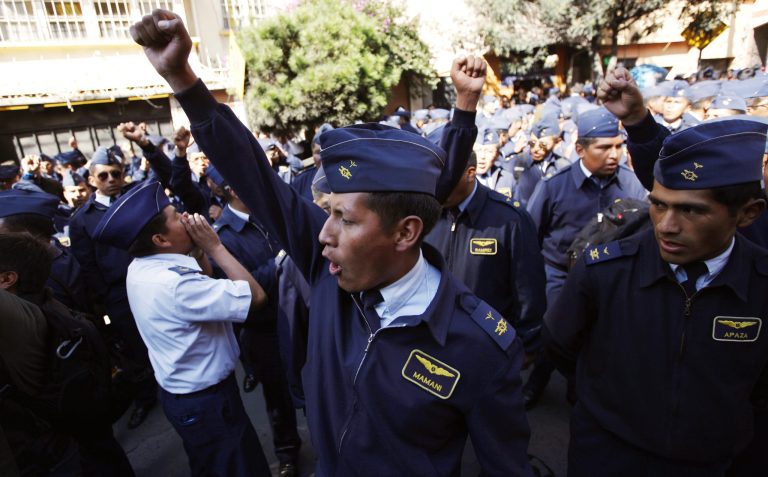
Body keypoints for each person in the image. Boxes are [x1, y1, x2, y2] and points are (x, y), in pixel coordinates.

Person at [130, 10, 533, 475]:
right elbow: (254, 174)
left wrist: (464, 107)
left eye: (343, 217)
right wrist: (182, 78)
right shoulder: (327, 267)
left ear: (405, 233)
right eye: (327, 213)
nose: (323, 233)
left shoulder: (477, 345)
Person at [542, 68, 768, 476]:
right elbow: (561, 347)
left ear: (748, 213)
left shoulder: (761, 286)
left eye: (692, 211)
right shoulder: (604, 272)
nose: (666, 225)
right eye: (659, 204)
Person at [93, 180, 272, 477]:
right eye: (176, 217)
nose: (187, 218)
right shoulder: (175, 285)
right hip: (208, 401)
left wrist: (197, 249)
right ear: (161, 240)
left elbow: (204, 274)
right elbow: (256, 297)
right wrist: (215, 245)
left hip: (188, 397)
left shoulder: (144, 266)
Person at [0, 232, 135, 477]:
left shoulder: (23, 320)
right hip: (82, 426)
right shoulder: (47, 302)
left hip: (61, 446)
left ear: (7, 279)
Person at [208, 166, 302, 476]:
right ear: (233, 190)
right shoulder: (223, 238)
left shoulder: (268, 214)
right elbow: (242, 289)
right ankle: (287, 451)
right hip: (264, 329)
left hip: (300, 315)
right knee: (277, 396)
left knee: (318, 381)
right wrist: (279, 261)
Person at [69, 146, 160, 429]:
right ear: (92, 179)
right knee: (134, 347)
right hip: (119, 293)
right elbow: (87, 264)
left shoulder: (135, 201)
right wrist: (106, 299)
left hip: (154, 282)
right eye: (104, 175)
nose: (110, 179)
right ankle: (146, 397)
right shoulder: (81, 219)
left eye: (116, 174)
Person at [425, 152, 546, 360]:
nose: (436, 187)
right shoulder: (425, 213)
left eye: (444, 180)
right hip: (431, 340)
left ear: (470, 174)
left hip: (487, 345)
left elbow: (527, 289)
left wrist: (527, 344)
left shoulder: (509, 219)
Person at [514, 115, 569, 203]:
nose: (536, 149)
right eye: (532, 143)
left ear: (556, 143)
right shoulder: (517, 162)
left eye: (543, 145)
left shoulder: (563, 167)